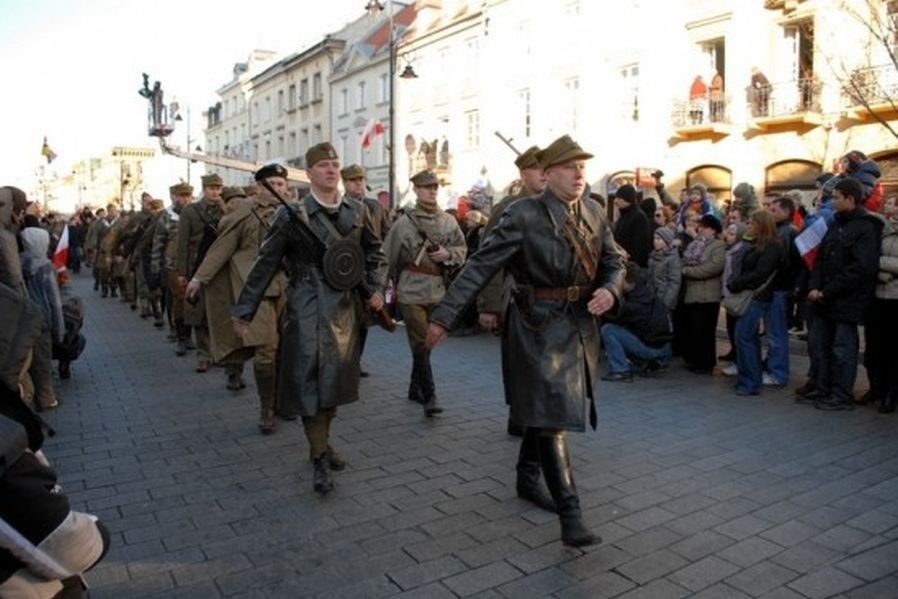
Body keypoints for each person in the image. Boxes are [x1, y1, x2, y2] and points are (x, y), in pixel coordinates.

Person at [425, 135, 626, 547]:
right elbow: (482, 265)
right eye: (570, 167)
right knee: (553, 418)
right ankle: (571, 514)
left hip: (578, 325)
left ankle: (527, 476)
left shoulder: (593, 210)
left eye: (582, 165)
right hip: (537, 325)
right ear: (547, 174)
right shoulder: (523, 214)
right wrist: (445, 316)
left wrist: (612, 288)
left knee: (545, 408)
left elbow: (615, 259)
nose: (579, 173)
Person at [232, 142, 387, 495]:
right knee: (310, 382)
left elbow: (376, 254)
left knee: (335, 384)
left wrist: (377, 288)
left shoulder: (357, 211)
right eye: (323, 165)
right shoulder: (292, 214)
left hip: (346, 309)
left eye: (335, 164)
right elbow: (265, 263)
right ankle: (318, 455)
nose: (332, 170)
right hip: (305, 305)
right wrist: (244, 311)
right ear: (310, 172)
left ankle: (323, 442)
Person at [189, 177, 287, 434]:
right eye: (273, 184)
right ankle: (267, 408)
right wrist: (200, 278)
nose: (278, 189)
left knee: (286, 350)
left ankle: (280, 399)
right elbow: (222, 248)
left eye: (282, 184)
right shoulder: (244, 214)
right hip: (256, 291)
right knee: (266, 349)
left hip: (289, 291)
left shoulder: (293, 213)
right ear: (260, 187)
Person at [383, 169, 467, 417]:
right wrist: (381, 292)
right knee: (420, 341)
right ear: (417, 190)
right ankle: (429, 397)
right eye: (426, 187)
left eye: (435, 187)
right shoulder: (403, 224)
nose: (432, 191)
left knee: (426, 344)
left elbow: (463, 250)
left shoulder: (448, 222)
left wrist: (448, 254)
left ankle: (413, 387)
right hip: (410, 290)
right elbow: (386, 258)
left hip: (437, 291)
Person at [477, 145, 547, 437]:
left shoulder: (558, 206)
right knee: (518, 362)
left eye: (547, 168)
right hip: (516, 297)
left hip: (551, 301)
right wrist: (488, 306)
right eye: (537, 168)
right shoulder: (506, 208)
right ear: (523, 173)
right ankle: (519, 414)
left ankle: (539, 416)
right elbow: (488, 260)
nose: (544, 174)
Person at [803, 178, 882, 411]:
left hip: (846, 301)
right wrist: (814, 287)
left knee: (842, 350)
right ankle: (824, 388)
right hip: (824, 299)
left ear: (850, 198)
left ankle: (841, 394)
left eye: (836, 197)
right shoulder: (835, 223)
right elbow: (819, 259)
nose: (832, 201)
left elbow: (860, 268)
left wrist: (826, 291)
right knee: (822, 346)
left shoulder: (866, 226)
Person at [727, 211, 783, 395]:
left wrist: (737, 283)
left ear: (761, 225)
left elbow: (760, 274)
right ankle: (749, 378)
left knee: (743, 336)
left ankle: (750, 381)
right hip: (751, 293)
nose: (749, 226)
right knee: (747, 337)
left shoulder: (772, 246)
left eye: (752, 223)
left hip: (757, 296)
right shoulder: (756, 244)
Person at [341, 164, 389, 377]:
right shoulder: (339, 206)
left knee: (363, 322)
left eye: (360, 179)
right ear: (344, 183)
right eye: (353, 180)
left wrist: (382, 271)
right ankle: (343, 361)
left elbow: (385, 237)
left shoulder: (375, 207)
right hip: (345, 270)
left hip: (369, 271)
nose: (358, 183)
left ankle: (356, 360)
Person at [177, 174, 225, 372]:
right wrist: (182, 272)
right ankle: (203, 355)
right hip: (197, 265)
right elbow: (182, 243)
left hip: (222, 266)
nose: (215, 192)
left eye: (218, 188)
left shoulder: (227, 209)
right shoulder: (190, 211)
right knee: (199, 312)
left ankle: (219, 352)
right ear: (204, 189)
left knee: (221, 312)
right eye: (211, 188)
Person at [600, 262, 675, 381]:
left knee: (608, 330)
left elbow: (613, 317)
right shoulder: (645, 291)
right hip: (665, 348)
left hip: (654, 349)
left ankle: (620, 371)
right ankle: (654, 362)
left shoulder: (632, 304)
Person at [19, 227, 64, 411]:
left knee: (26, 362)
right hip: (41, 320)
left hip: (22, 318)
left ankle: (30, 396)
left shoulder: (18, 262)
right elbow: (54, 301)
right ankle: (46, 398)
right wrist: (59, 330)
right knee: (43, 362)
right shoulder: (45, 267)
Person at [678, 214, 725, 374]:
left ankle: (706, 363)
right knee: (694, 328)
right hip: (693, 293)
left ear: (712, 230)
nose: (700, 229)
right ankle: (695, 359)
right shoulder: (695, 244)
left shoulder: (718, 245)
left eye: (703, 227)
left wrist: (688, 271)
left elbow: (713, 267)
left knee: (706, 330)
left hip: (709, 295)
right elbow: (684, 260)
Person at [864, 199, 898, 412]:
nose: (889, 207)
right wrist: (883, 271)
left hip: (896, 298)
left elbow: (875, 260)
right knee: (874, 346)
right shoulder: (881, 229)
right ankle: (875, 387)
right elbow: (867, 257)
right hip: (877, 295)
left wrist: (880, 266)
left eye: (894, 204)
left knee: (893, 348)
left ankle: (891, 393)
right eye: (889, 203)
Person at [152, 184, 193, 354]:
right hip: (173, 265)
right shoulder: (166, 217)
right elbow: (158, 243)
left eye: (187, 196)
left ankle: (190, 334)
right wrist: (155, 267)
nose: (184, 199)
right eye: (180, 196)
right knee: (180, 299)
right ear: (172, 197)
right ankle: (181, 336)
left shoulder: (196, 213)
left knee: (194, 300)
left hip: (194, 263)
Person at [765, 195, 801, 387]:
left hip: (780, 288)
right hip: (774, 288)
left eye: (774, 210)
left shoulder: (789, 232)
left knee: (777, 332)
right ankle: (772, 366)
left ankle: (778, 372)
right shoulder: (780, 231)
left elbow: (789, 263)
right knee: (772, 331)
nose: (771, 213)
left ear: (786, 212)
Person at [720, 221, 749, 369]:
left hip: (737, 294)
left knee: (739, 329)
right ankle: (733, 352)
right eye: (728, 233)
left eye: (733, 234)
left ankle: (739, 360)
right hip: (727, 293)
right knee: (731, 326)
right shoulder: (727, 250)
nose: (729, 237)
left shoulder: (742, 251)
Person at [613, 183, 652, 267]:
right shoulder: (623, 215)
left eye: (619, 198)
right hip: (621, 262)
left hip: (631, 265)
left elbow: (640, 246)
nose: (615, 201)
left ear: (627, 199)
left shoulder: (639, 217)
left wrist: (632, 264)